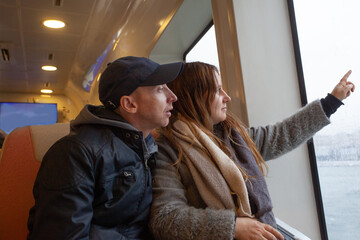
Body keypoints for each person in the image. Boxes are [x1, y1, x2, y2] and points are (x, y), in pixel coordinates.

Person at [149, 62, 355, 240]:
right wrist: (232, 227)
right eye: (217, 90)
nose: (227, 97)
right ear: (194, 97)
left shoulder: (232, 136)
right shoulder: (169, 151)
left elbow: (281, 135)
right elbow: (166, 218)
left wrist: (331, 102)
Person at [27, 56, 184, 240]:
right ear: (129, 104)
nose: (173, 96)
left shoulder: (149, 148)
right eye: (160, 89)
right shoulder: (74, 153)